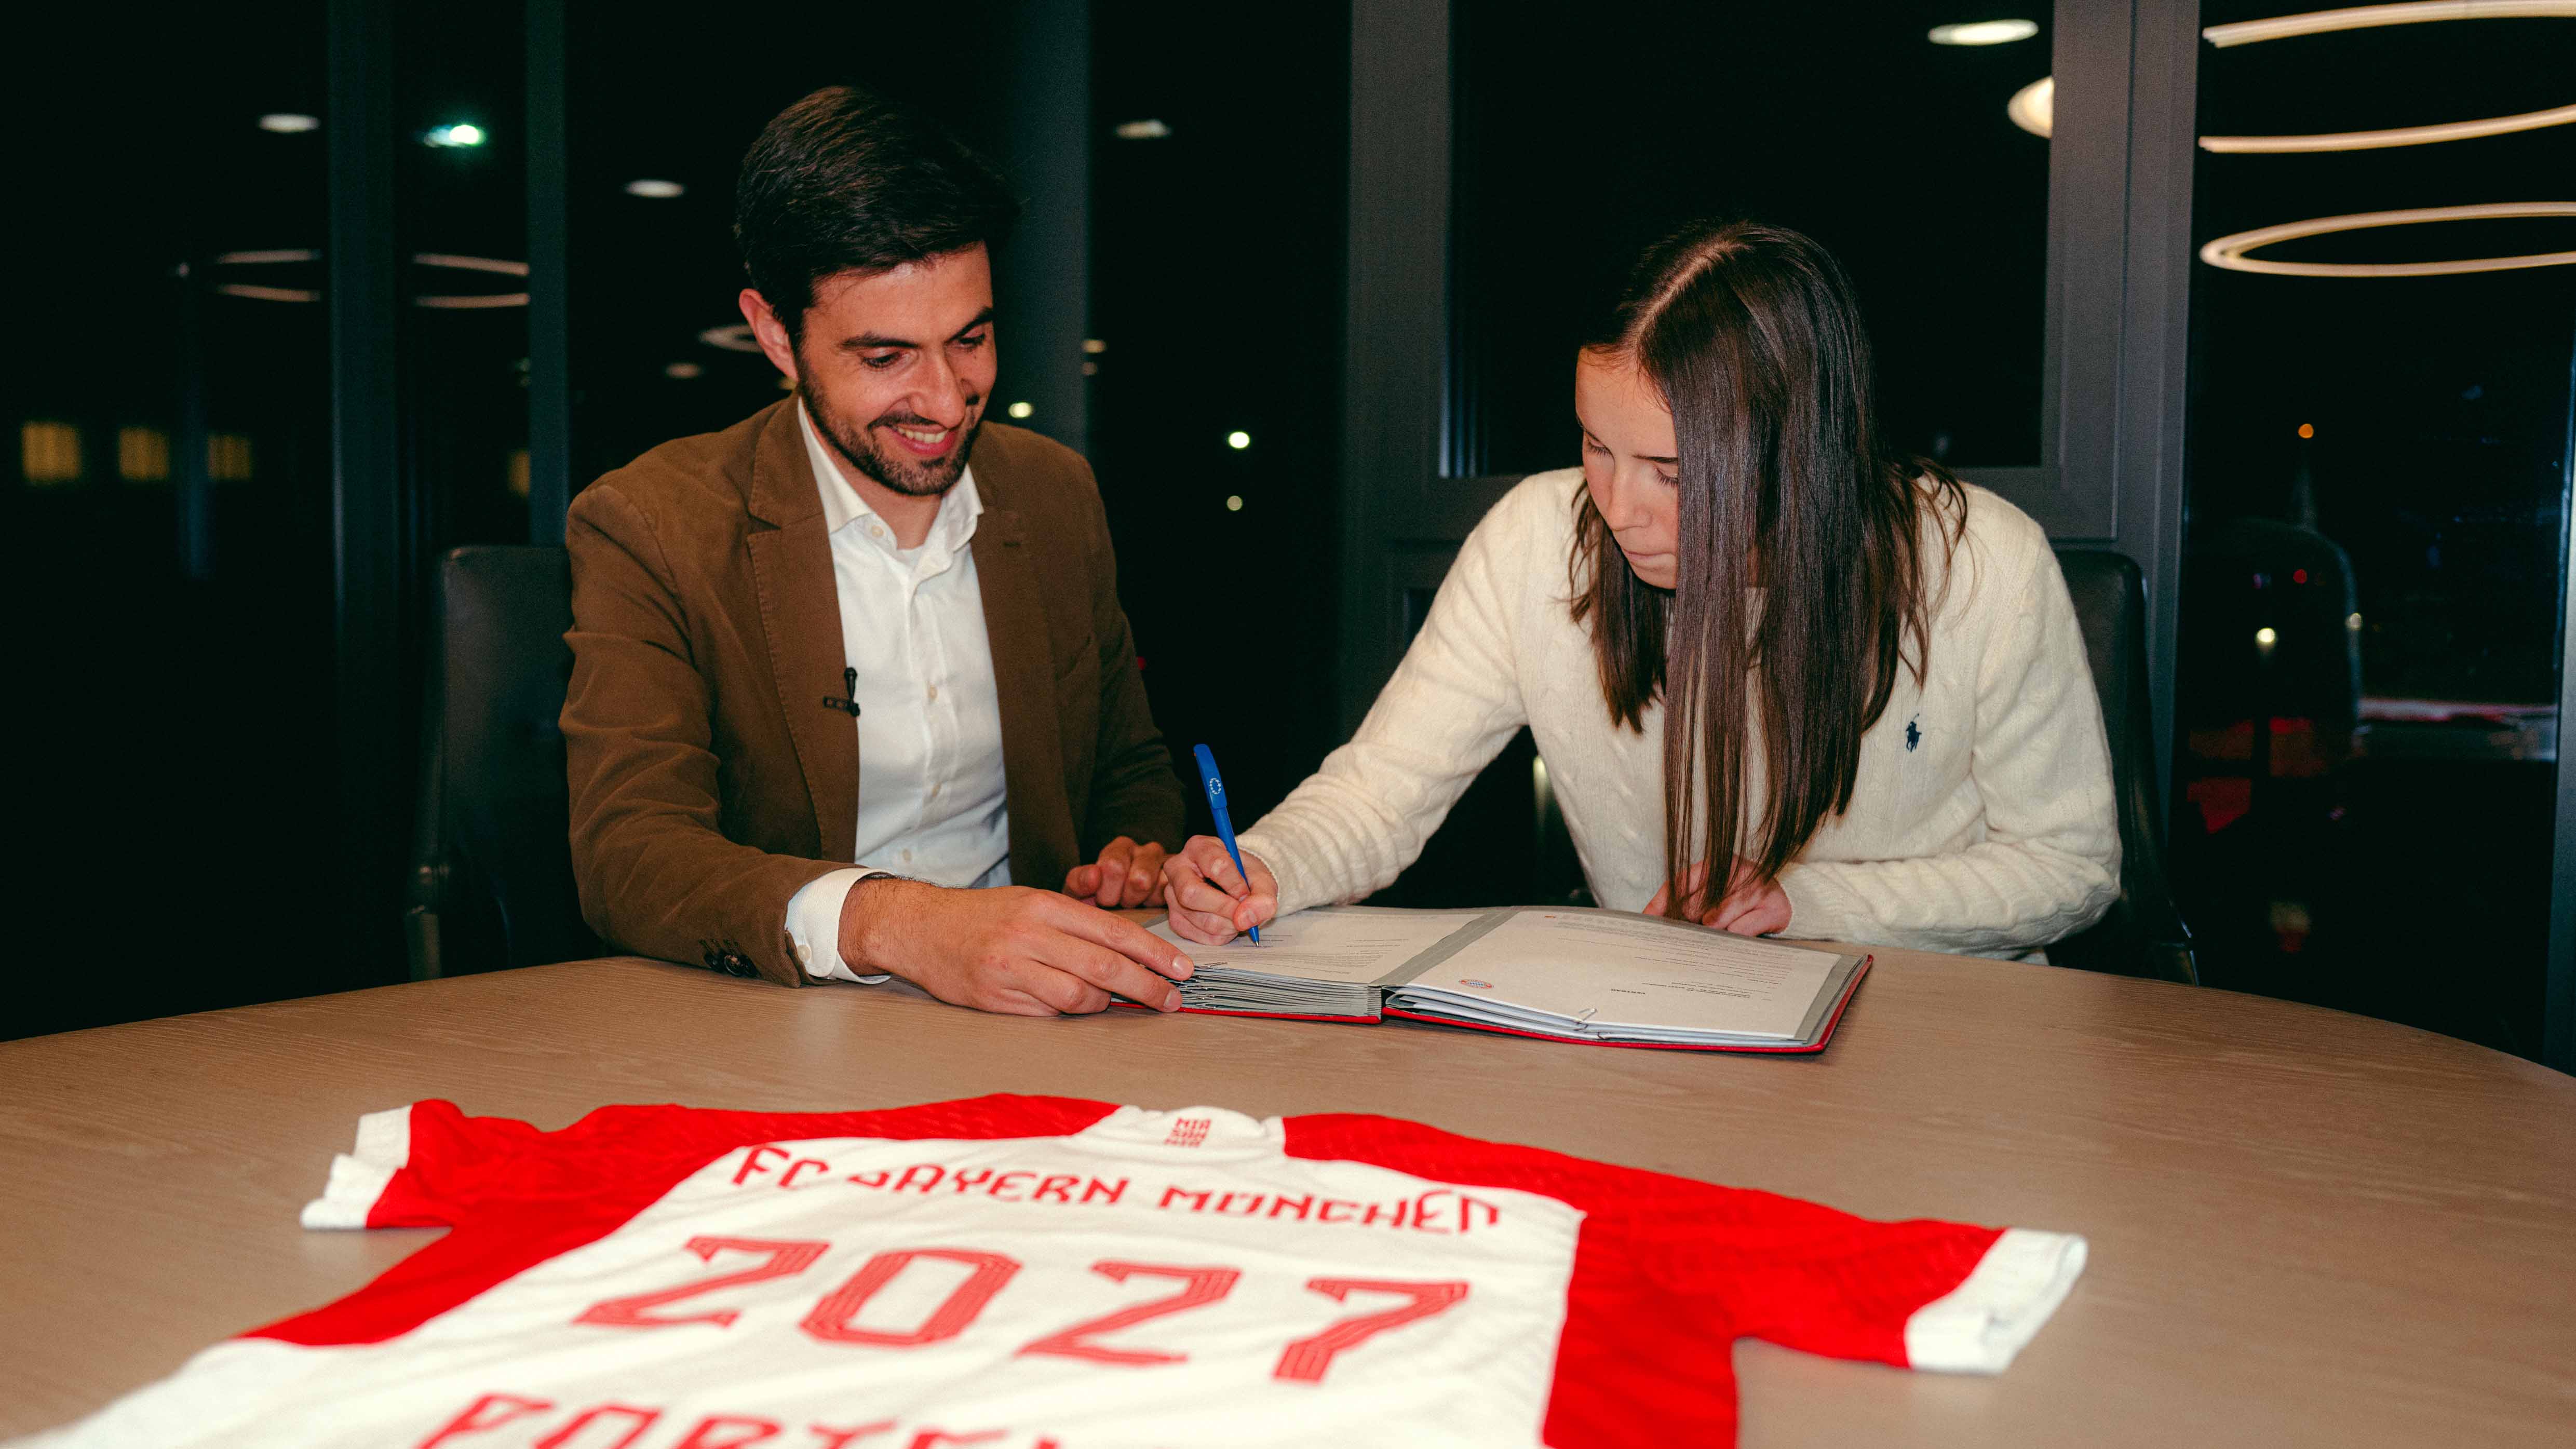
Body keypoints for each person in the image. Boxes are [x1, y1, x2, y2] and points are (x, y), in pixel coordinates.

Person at [1165, 220, 2119, 957]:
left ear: (1797, 452)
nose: (1617, 508)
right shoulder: (1537, 539)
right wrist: (1268, 865)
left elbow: (2070, 869)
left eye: (1671, 471)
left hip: (1939, 1032)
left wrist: (1810, 903)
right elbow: (1383, 791)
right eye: (1595, 446)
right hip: (1663, 1024)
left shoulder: (1978, 566)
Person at [563, 86, 1195, 1014]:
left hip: (1034, 1022)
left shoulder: (1054, 494)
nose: (946, 402)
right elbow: (631, 855)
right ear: (776, 334)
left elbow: (1129, 772)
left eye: (970, 339)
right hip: (770, 1027)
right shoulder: (651, 523)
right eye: (885, 358)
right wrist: (903, 926)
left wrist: (1132, 856)